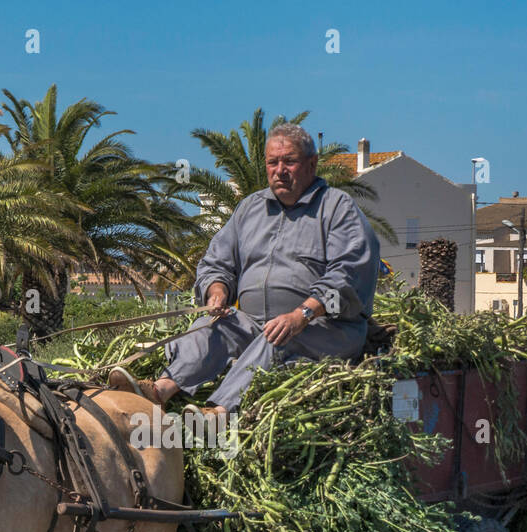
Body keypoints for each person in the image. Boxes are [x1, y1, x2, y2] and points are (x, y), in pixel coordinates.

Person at [108, 123, 380, 415]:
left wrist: (302, 314)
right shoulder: (250, 209)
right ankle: (158, 391)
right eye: (272, 162)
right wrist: (217, 291)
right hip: (254, 322)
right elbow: (217, 261)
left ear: (311, 164)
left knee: (277, 337)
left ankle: (219, 412)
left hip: (324, 329)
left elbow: (350, 274)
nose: (280, 170)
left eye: (289, 161)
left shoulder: (338, 208)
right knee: (209, 328)